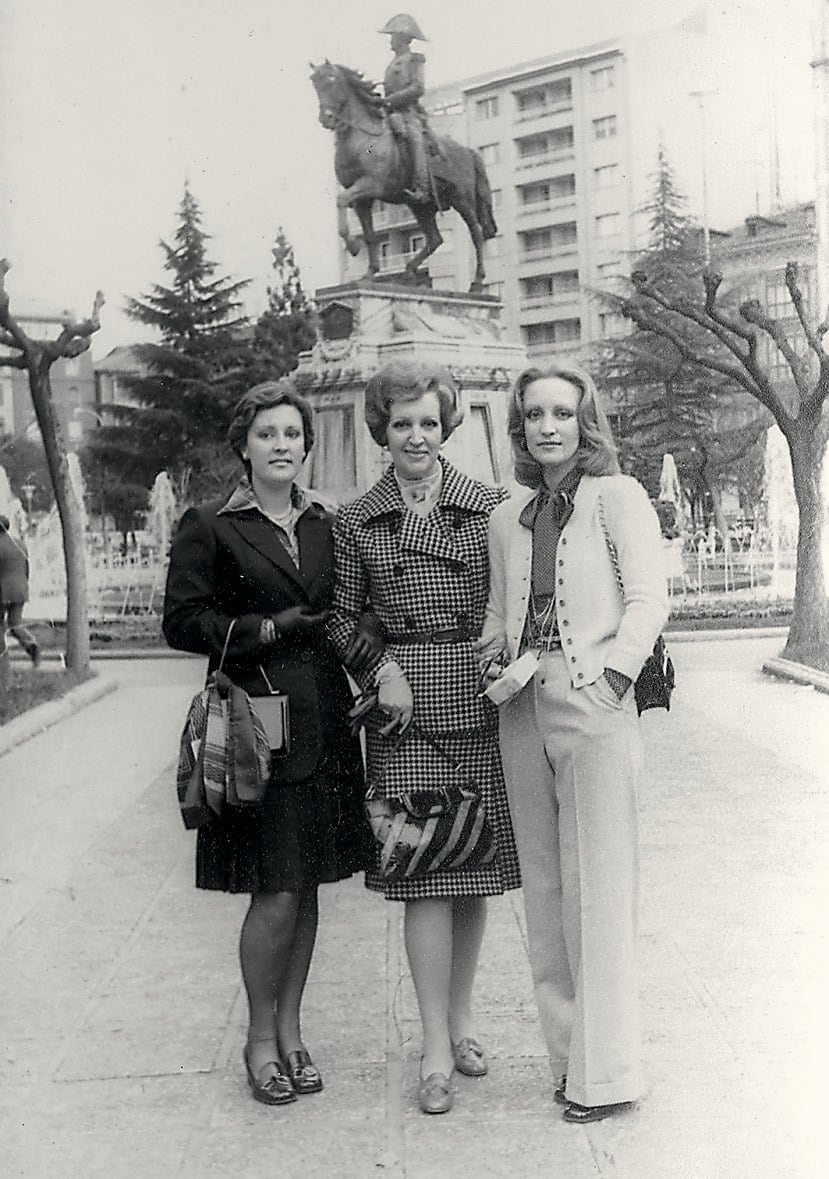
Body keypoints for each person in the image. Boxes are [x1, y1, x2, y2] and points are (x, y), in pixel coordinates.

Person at [163, 381, 377, 1108]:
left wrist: (371, 639)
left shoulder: (326, 521)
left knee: (307, 885)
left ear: (306, 444)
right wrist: (263, 628)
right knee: (276, 889)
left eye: (292, 433)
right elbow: (180, 621)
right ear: (244, 446)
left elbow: (347, 608)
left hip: (324, 721)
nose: (281, 445)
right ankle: (259, 1040)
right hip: (257, 728)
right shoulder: (210, 523)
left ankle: (291, 1031)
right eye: (267, 434)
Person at [477, 361, 669, 1124]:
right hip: (522, 707)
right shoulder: (506, 515)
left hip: (593, 703)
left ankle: (607, 1073)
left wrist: (613, 680)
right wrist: (492, 654)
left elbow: (648, 599)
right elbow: (498, 613)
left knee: (600, 888)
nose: (547, 426)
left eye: (561, 412)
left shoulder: (616, 497)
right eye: (533, 415)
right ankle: (567, 1063)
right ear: (519, 426)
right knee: (547, 889)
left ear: (584, 421)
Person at [329, 360, 521, 1115]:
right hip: (403, 712)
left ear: (448, 427)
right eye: (401, 422)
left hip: (478, 700)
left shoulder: (490, 506)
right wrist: (381, 669)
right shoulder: (356, 518)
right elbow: (340, 618)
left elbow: (513, 600)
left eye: (429, 422)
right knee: (423, 873)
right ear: (382, 430)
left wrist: (500, 655)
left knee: (471, 869)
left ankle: (462, 1020)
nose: (416, 436)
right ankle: (434, 1044)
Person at [379, 13, 431, 204]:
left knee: (415, 140)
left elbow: (418, 88)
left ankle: (422, 187)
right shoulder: (391, 64)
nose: (390, 40)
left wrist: (390, 101)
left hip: (409, 114)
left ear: (402, 38)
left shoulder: (415, 60)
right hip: (390, 114)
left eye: (393, 36)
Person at [0, 514, 39, 664]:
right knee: (15, 624)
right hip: (20, 589)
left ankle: (2, 658)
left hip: (3, 591)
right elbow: (27, 568)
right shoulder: (20, 544)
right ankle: (31, 645)